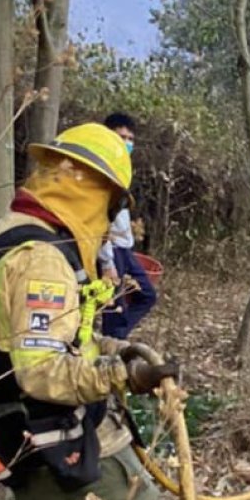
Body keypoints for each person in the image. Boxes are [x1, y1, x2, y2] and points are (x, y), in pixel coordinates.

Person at [0, 123, 178, 500]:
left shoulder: (6, 234)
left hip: (43, 446)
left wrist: (114, 350)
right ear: (97, 194)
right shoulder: (42, 261)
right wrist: (124, 376)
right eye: (113, 204)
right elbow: (41, 373)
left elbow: (62, 339)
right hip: (62, 454)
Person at [97, 113, 158, 339]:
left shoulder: (122, 170)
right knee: (115, 308)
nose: (127, 142)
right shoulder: (100, 171)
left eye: (130, 138)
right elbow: (99, 221)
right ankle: (110, 352)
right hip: (110, 252)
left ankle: (115, 339)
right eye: (121, 136)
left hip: (125, 249)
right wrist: (106, 262)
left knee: (147, 295)